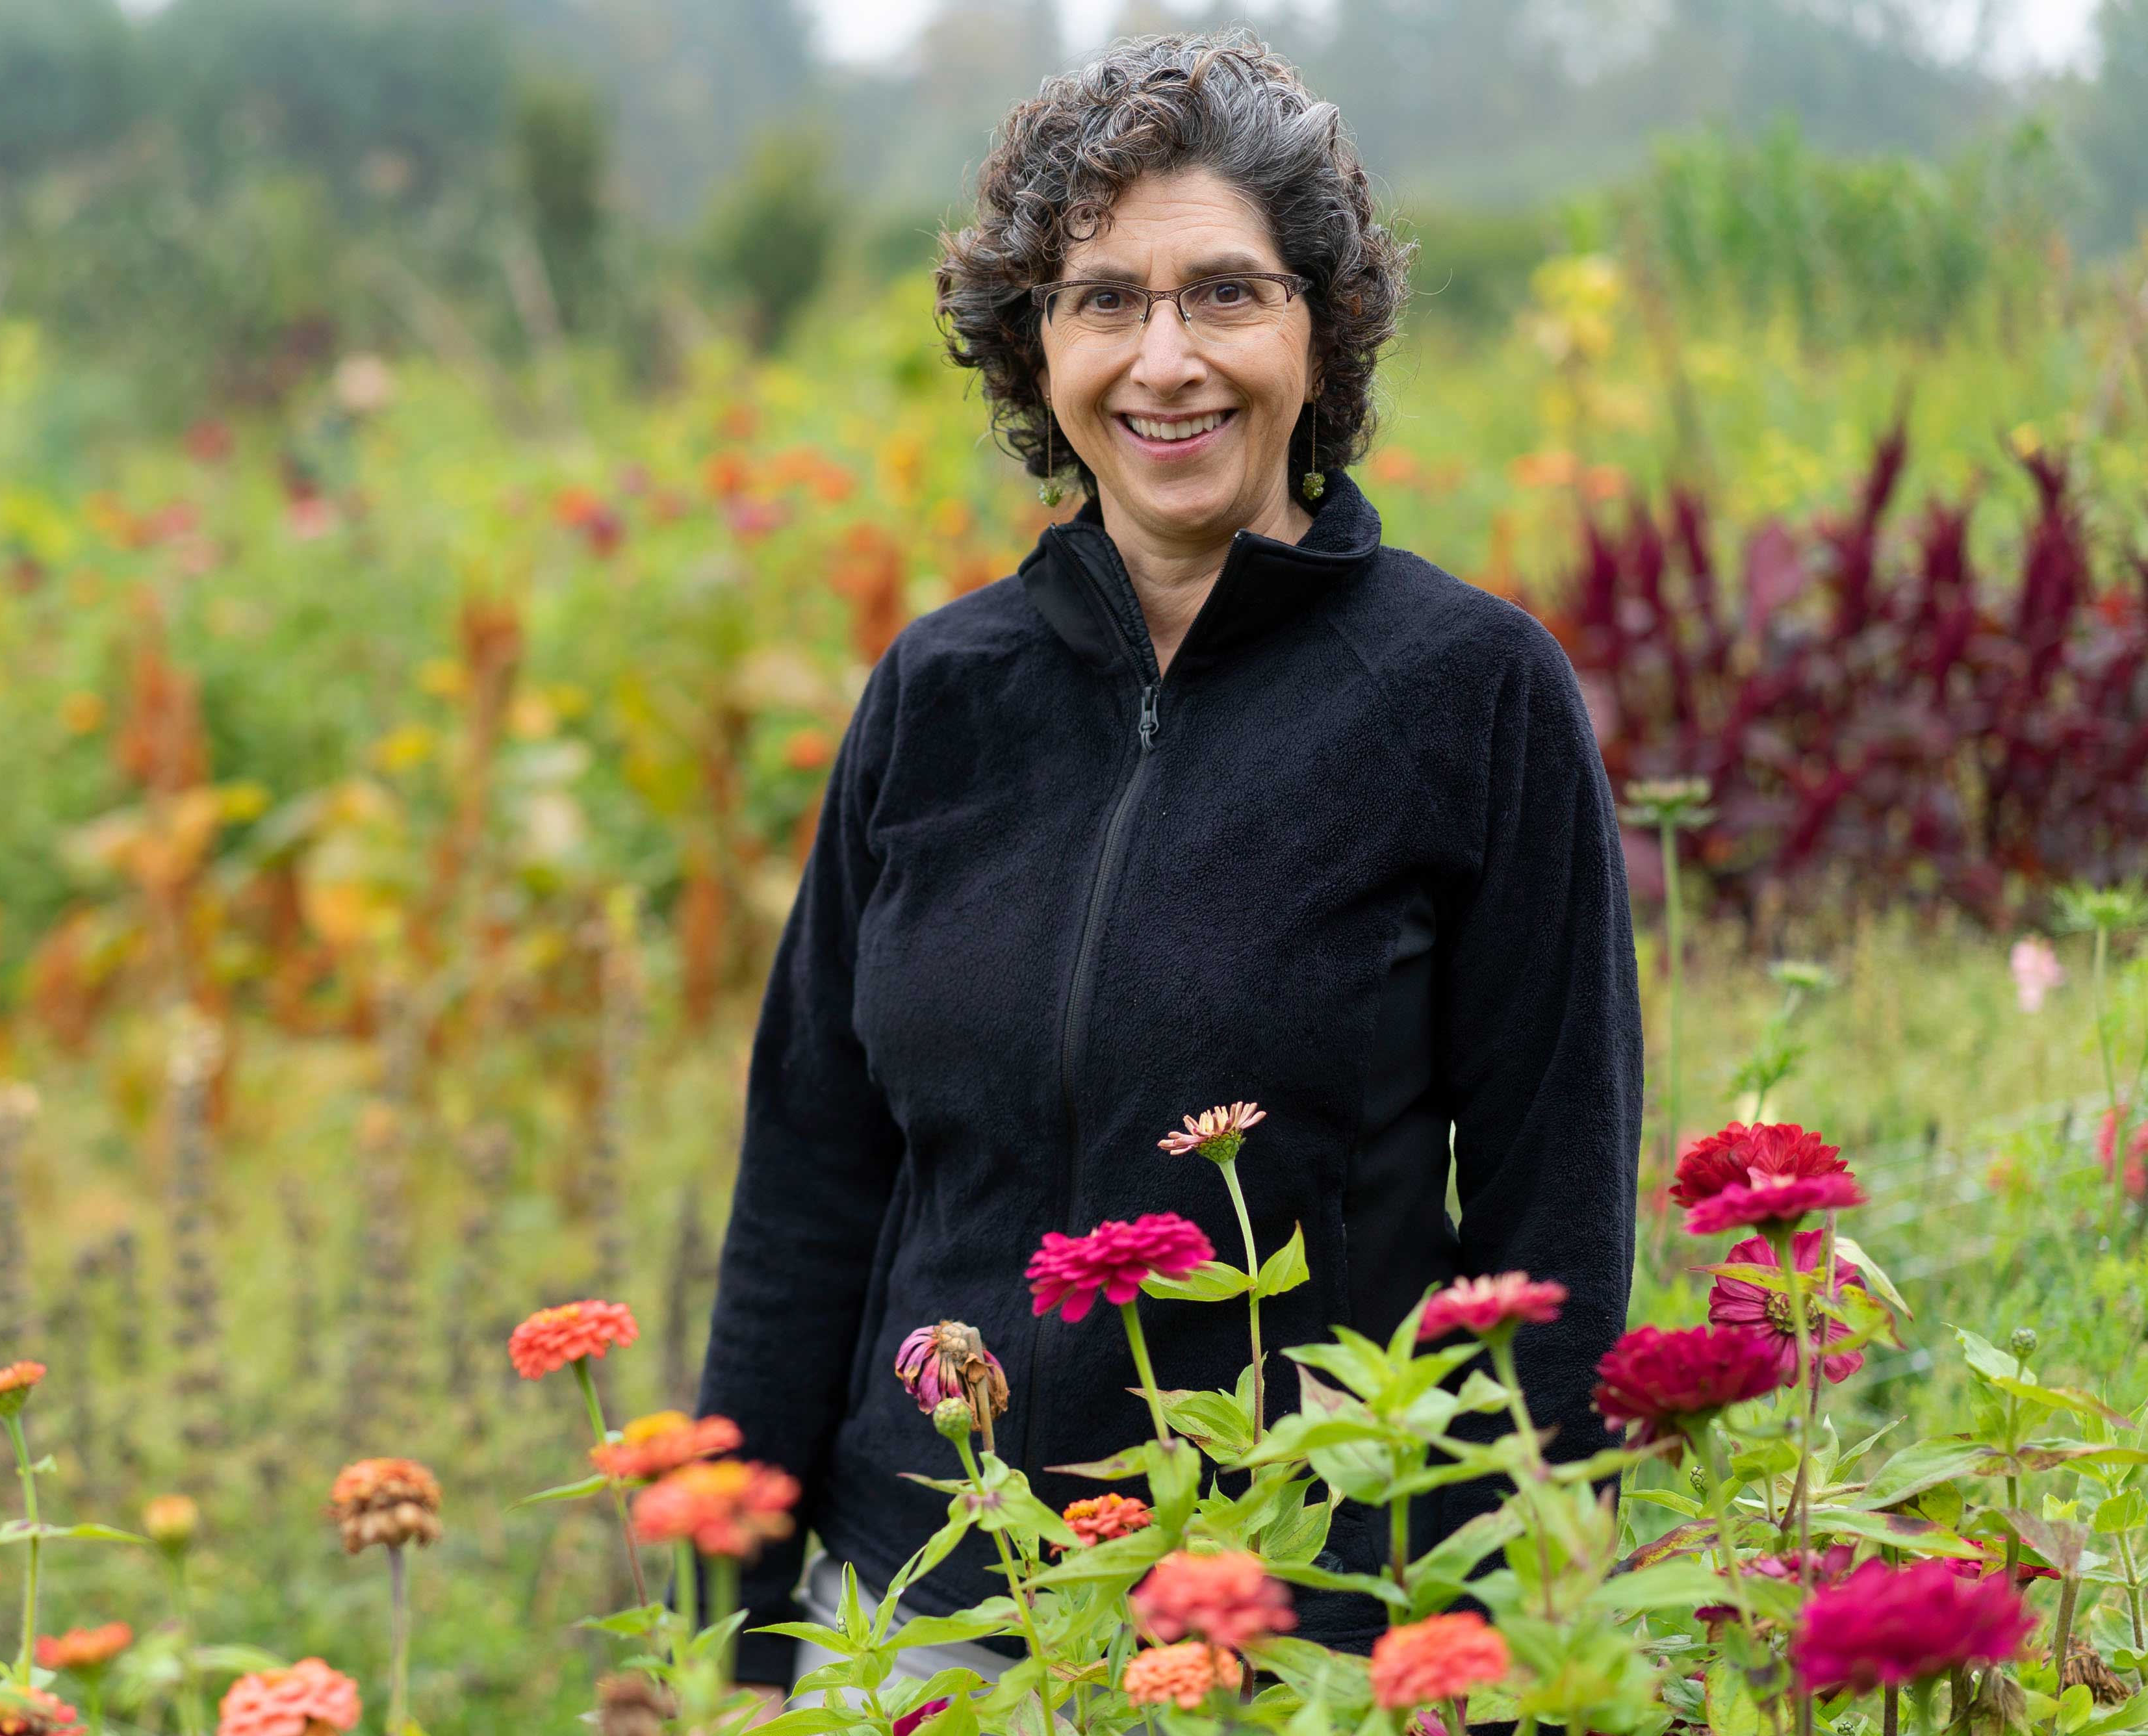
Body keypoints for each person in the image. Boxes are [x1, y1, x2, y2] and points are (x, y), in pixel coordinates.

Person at [695, 31, 1644, 1720]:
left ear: (1319, 327)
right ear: (1034, 346)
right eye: (1103, 301)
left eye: (1224, 293)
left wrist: (1503, 1637)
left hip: (1302, 1614)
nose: (1164, 359)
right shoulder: (937, 697)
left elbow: (1548, 1215)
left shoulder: (1469, 695)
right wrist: (730, 1633)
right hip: (918, 1608)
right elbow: (808, 1185)